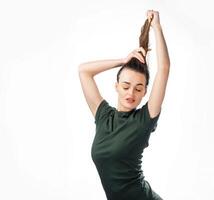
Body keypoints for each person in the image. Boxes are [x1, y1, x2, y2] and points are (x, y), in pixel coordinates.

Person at [78, 10, 170, 200]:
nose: (131, 93)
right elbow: (84, 71)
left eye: (138, 89)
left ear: (145, 92)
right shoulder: (103, 115)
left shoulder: (145, 119)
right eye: (126, 86)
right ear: (117, 86)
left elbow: (164, 69)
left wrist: (157, 28)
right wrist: (123, 61)